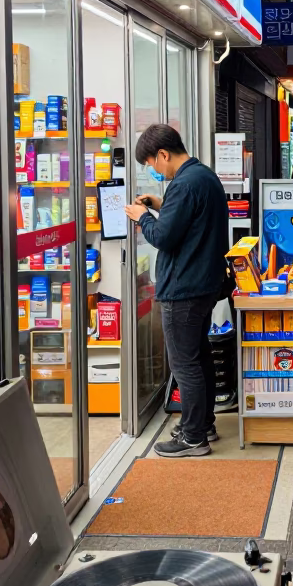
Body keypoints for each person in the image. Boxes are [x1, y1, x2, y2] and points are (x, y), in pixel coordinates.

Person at [124, 124, 228, 458]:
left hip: (182, 289)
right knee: (199, 359)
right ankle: (203, 424)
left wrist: (142, 217)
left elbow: (163, 237)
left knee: (184, 365)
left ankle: (194, 436)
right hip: (203, 285)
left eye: (153, 164)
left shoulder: (183, 185)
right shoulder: (202, 176)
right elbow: (187, 220)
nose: (154, 170)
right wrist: (158, 204)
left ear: (164, 154)